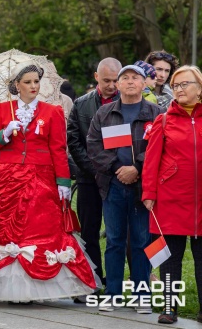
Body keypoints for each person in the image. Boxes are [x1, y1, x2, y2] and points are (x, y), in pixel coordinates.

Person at [0, 60, 98, 302]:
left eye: (36, 81)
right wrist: (4, 134)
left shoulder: (53, 111)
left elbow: (58, 149)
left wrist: (63, 182)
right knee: (3, 230)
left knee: (41, 229)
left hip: (41, 177)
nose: (34, 86)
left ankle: (49, 285)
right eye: (28, 82)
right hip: (7, 176)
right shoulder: (1, 109)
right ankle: (4, 287)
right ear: (17, 85)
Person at [87, 64, 162, 313]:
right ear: (117, 85)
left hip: (144, 187)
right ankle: (113, 294)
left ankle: (142, 295)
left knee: (142, 241)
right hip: (113, 186)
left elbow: (160, 148)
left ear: (144, 84)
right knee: (115, 241)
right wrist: (118, 169)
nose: (130, 82)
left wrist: (137, 169)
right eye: (125, 78)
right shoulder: (104, 114)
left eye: (135, 78)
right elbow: (94, 146)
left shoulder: (157, 113)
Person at [142, 65, 202, 324]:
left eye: (184, 84)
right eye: (175, 85)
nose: (178, 89)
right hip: (171, 199)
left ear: (199, 88)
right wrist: (149, 192)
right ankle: (169, 308)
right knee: (170, 258)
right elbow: (151, 161)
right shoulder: (163, 120)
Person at [67, 57, 121, 292]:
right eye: (107, 80)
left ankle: (115, 282)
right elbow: (73, 140)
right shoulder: (81, 104)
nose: (111, 85)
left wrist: (112, 169)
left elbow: (124, 144)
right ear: (96, 77)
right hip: (88, 178)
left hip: (118, 177)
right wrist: (92, 168)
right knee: (89, 230)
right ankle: (93, 279)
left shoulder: (126, 102)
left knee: (116, 231)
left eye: (115, 80)